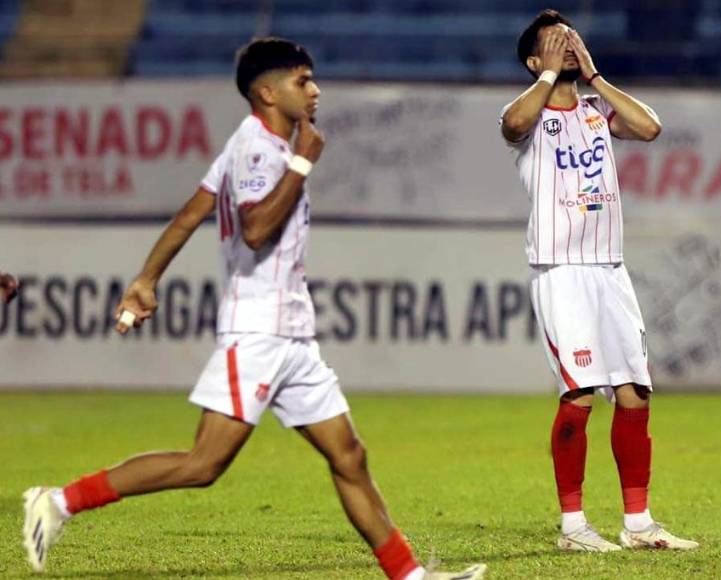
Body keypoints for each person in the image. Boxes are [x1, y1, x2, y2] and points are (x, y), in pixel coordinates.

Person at [22, 37, 485, 580]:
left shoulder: (252, 145)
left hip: (293, 335)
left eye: (312, 80)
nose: (314, 91)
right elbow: (258, 229)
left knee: (349, 457)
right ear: (267, 92)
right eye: (301, 81)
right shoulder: (261, 151)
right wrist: (303, 164)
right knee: (203, 465)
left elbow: (191, 213)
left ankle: (410, 577)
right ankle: (58, 502)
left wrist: (146, 279)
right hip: (258, 331)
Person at [498, 10, 699, 553]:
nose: (566, 45)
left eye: (572, 37)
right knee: (581, 394)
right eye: (554, 42)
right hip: (560, 272)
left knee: (634, 395)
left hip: (611, 269)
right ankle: (573, 528)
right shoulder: (530, 118)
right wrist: (547, 79)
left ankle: (638, 523)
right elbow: (513, 124)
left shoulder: (594, 112)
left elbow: (650, 128)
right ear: (533, 61)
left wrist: (594, 76)